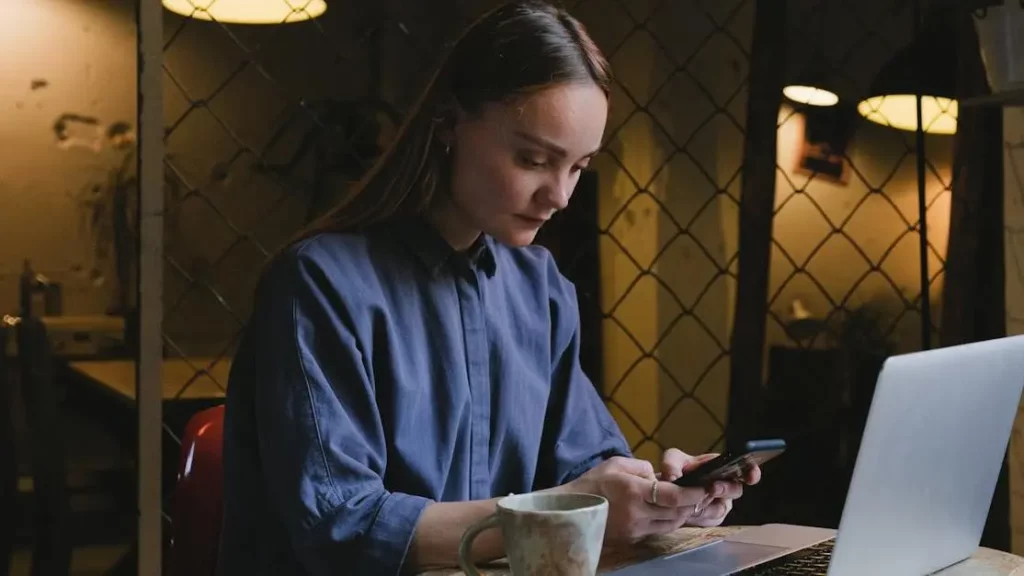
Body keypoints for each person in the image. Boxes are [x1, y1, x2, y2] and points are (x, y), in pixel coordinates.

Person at [220, 2, 759, 575]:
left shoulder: (541, 290)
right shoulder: (319, 285)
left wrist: (657, 496)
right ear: (449, 122)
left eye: (578, 167)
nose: (561, 197)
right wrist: (569, 510)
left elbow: (585, 468)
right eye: (533, 159)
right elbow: (340, 528)